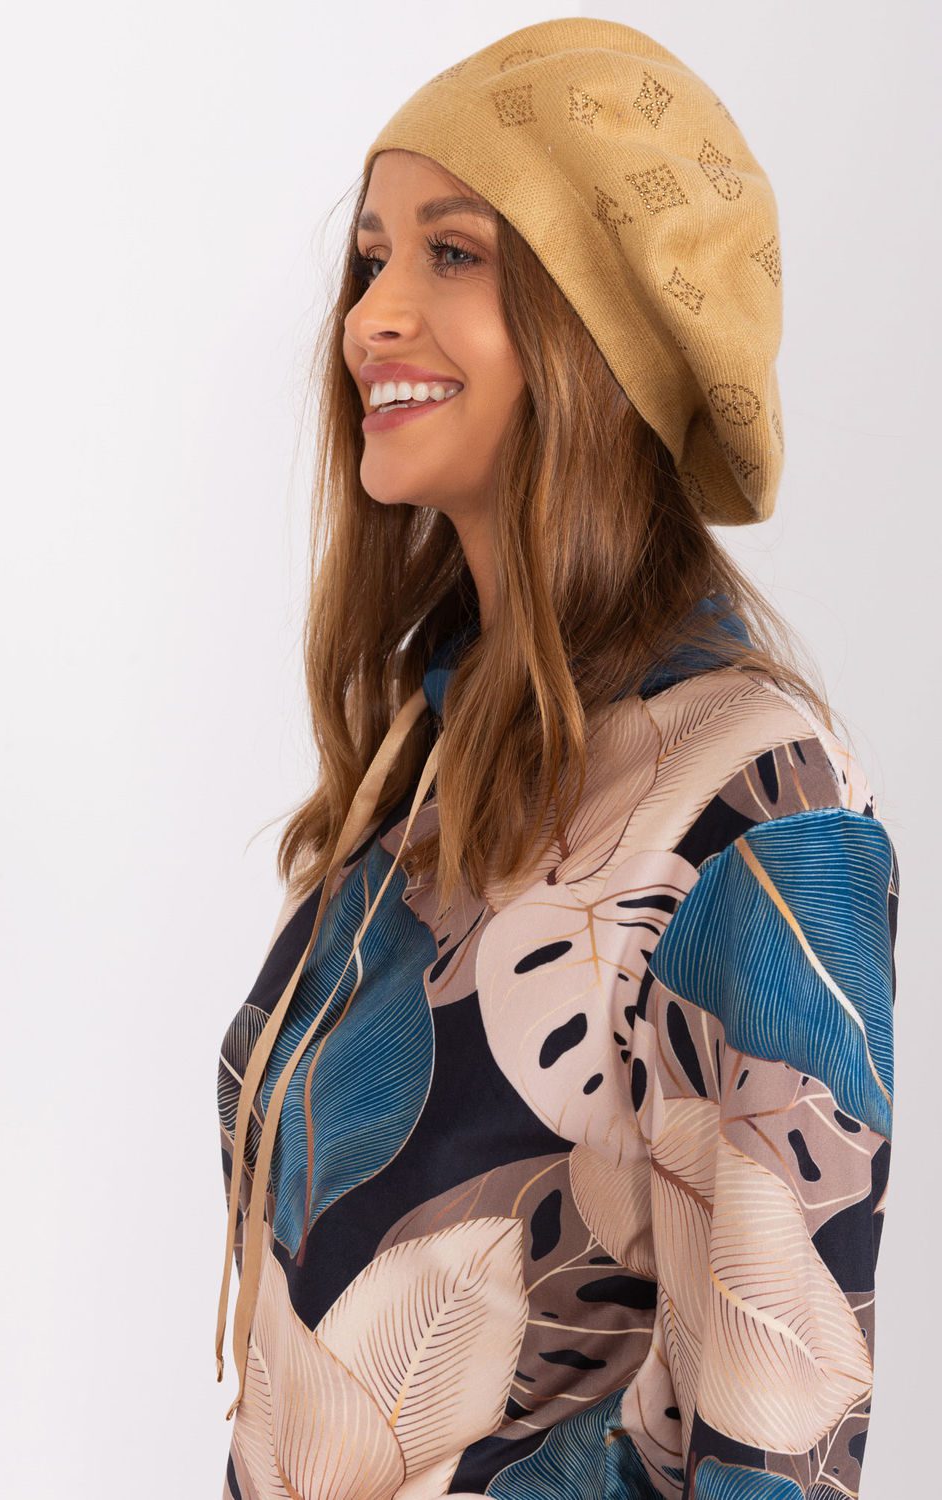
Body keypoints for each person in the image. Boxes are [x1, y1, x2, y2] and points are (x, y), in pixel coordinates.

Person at [213, 18, 900, 1500]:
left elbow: (778, 1441)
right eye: (372, 259)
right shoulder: (428, 753)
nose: (373, 316)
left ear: (605, 324)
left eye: (454, 254)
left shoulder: (753, 798)